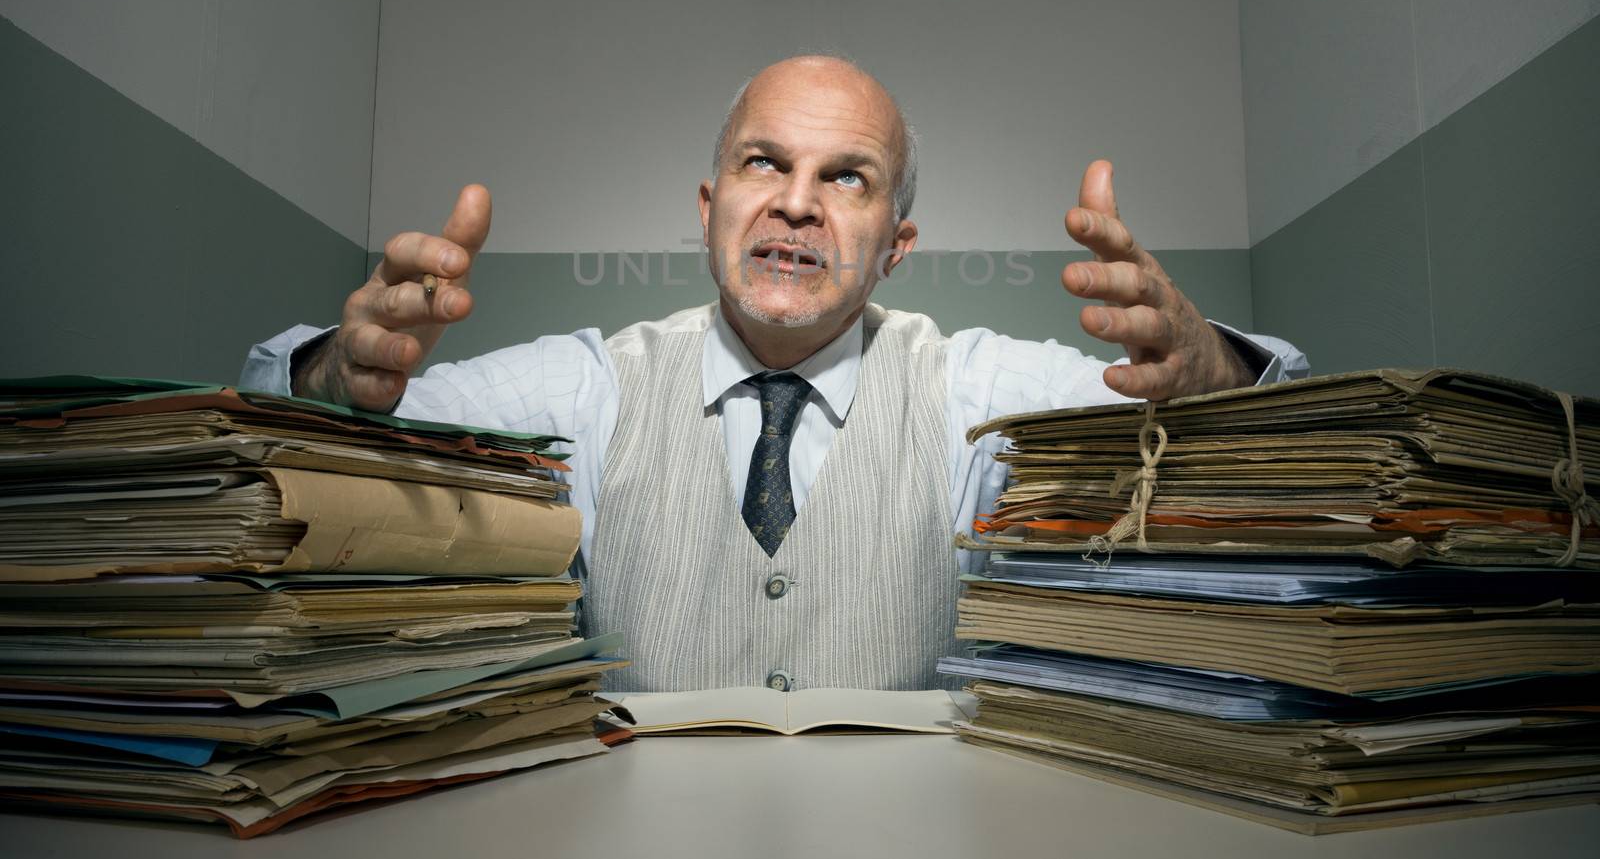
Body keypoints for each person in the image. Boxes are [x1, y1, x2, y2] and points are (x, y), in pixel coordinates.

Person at [243, 56, 1306, 691]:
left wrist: (1209, 368)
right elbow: (303, 431)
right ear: (709, 210)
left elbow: (1265, 436)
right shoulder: (587, 385)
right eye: (765, 162)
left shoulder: (975, 389)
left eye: (846, 177)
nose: (797, 202)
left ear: (895, 242)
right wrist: (345, 375)